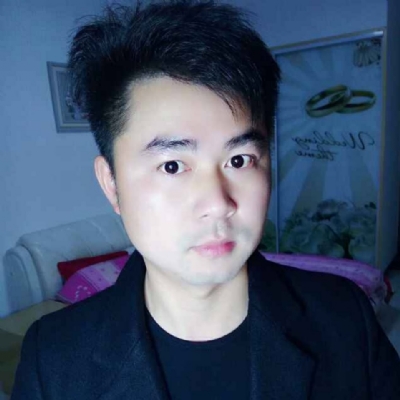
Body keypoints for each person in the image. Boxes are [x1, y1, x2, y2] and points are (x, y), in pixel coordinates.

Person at [11, 1, 400, 399]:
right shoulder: (52, 359)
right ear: (111, 184)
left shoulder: (345, 317)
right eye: (172, 166)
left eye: (239, 160)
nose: (218, 202)